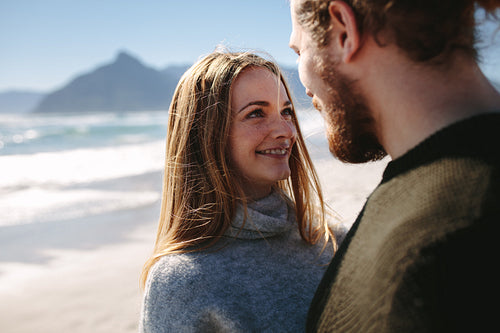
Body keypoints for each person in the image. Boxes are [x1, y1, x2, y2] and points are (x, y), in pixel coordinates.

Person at [288, 0, 500, 332]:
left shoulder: (431, 259)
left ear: (344, 29)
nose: (304, 86)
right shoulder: (423, 192)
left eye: (300, 52)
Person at [139, 50, 345, 332]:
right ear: (207, 136)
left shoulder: (333, 243)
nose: (286, 130)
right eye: (256, 113)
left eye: (286, 111)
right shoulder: (181, 281)